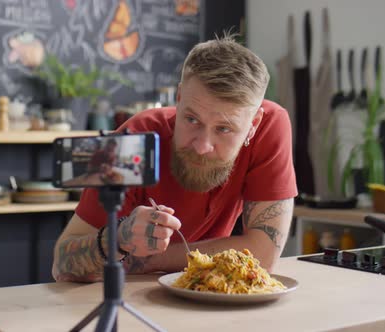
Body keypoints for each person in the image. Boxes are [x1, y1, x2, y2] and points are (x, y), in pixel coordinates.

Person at [52, 35, 297, 282]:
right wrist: (120, 238)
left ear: (253, 124)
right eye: (192, 120)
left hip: (210, 297)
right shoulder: (135, 136)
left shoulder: (270, 124)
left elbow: (264, 256)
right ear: (178, 99)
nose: (202, 146)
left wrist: (145, 260)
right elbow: (62, 267)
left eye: (224, 129)